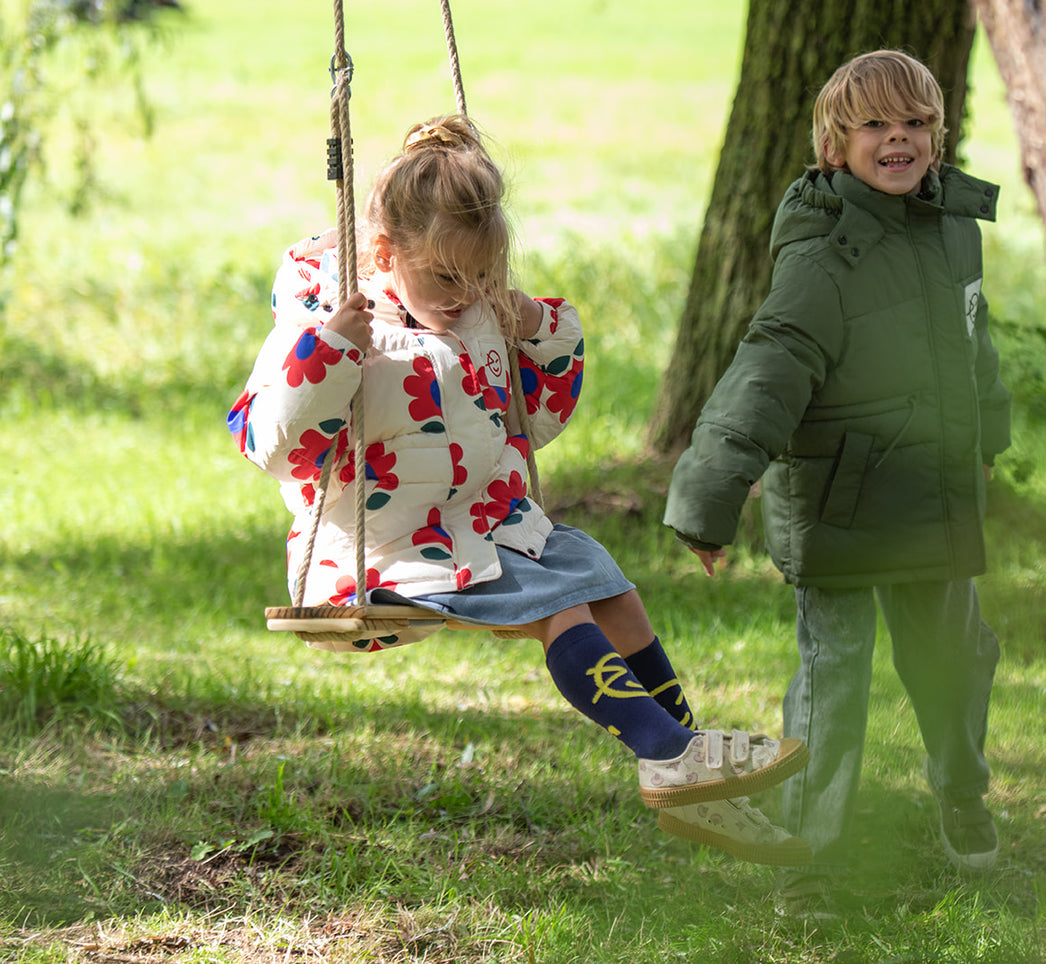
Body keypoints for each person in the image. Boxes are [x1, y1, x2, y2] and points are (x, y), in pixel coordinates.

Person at [228, 114, 810, 867]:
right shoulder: (327, 318)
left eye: (485, 276)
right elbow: (271, 444)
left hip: (490, 526)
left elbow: (536, 418)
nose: (467, 293)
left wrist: (536, 326)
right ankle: (668, 749)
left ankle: (690, 775)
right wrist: (332, 348)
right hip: (389, 554)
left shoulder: (476, 314)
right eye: (447, 277)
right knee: (562, 609)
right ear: (382, 253)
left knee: (614, 594)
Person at [663, 50, 1011, 913]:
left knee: (955, 662)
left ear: (937, 132)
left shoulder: (951, 226)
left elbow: (973, 338)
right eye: (876, 127)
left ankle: (960, 793)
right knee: (831, 688)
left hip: (932, 494)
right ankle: (811, 859)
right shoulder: (824, 251)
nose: (899, 140)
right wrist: (711, 497)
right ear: (834, 144)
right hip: (839, 504)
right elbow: (771, 366)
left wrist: (988, 427)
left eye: (916, 124)